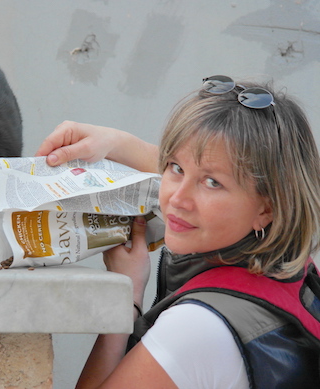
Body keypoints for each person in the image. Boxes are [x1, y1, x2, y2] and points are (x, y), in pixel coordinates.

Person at [36, 75, 320, 388]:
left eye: (212, 183)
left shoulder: (195, 330)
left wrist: (125, 297)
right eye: (175, 168)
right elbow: (211, 165)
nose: (177, 199)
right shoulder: (290, 269)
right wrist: (117, 143)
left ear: (267, 208)